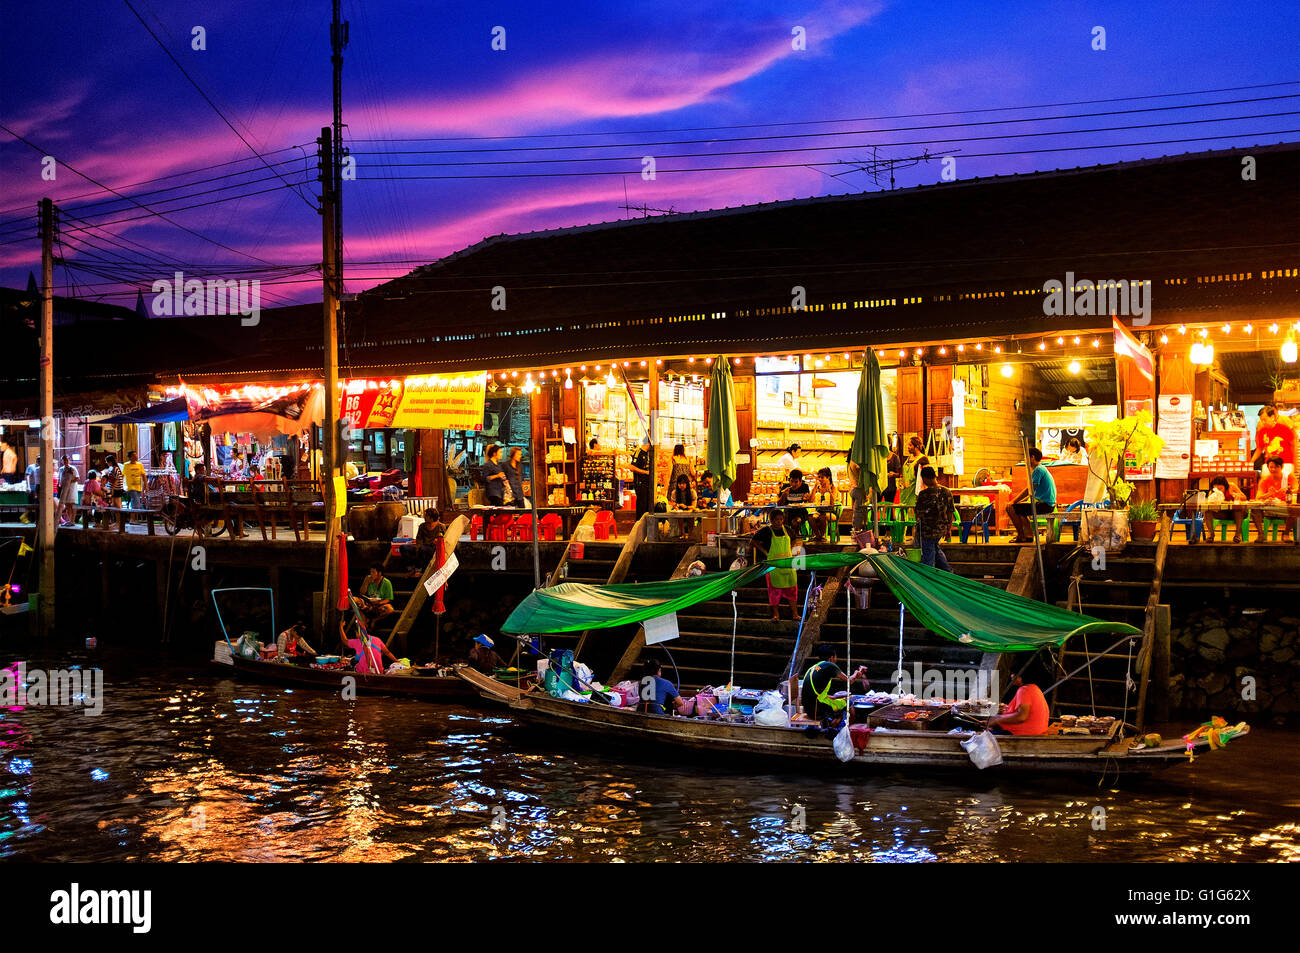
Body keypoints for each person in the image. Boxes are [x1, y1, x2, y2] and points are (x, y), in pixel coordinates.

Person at [800, 643, 868, 726]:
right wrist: (857, 672)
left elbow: (815, 693)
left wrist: (834, 697)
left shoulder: (815, 667)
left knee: (840, 701)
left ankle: (830, 725)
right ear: (831, 657)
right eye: (835, 656)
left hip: (808, 709)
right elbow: (849, 681)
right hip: (816, 710)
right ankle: (840, 730)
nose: (836, 658)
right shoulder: (830, 665)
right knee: (849, 703)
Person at [754, 507, 800, 621]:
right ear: (771, 520)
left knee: (792, 589)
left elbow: (796, 540)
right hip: (773, 566)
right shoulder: (766, 531)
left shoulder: (788, 530)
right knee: (774, 591)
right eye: (776, 520)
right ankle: (776, 614)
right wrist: (765, 552)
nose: (779, 522)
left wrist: (793, 548)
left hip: (788, 565)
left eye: (781, 519)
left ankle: (795, 614)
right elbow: (753, 541)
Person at [1009, 447, 1056, 542]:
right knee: (1020, 509)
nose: (1025, 461)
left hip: (1045, 505)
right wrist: (1019, 501)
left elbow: (1029, 489)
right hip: (1045, 504)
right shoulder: (1041, 469)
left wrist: (1014, 501)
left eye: (1026, 458)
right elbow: (1031, 493)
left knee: (1010, 508)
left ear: (1032, 457)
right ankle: (1028, 535)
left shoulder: (1038, 470)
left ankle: (1022, 535)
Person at [914, 466, 956, 571]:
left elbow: (918, 514)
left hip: (927, 531)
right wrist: (948, 529)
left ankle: (928, 577)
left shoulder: (923, 494)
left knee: (928, 557)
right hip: (941, 529)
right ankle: (948, 572)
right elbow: (950, 512)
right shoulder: (947, 492)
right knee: (935, 550)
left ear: (925, 478)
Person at [1251, 455, 1296, 541]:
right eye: (1271, 467)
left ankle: (1286, 534)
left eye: (1276, 467)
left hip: (1285, 508)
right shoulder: (1265, 480)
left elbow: (1297, 490)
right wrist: (1268, 494)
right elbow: (1258, 497)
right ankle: (1261, 534)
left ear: (1282, 467)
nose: (1273, 469)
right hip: (1269, 508)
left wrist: (1289, 491)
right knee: (1254, 509)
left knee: (1295, 510)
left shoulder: (1289, 477)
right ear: (1267, 467)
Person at [1253, 404, 1296, 482]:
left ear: (1272, 417)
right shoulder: (1262, 432)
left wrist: (1294, 464)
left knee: (1285, 488)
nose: (1262, 422)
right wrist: (1250, 462)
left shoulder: (1285, 429)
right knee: (1266, 488)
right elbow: (1259, 449)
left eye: (1264, 419)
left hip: (1285, 464)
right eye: (1261, 420)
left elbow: (1293, 446)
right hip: (1269, 466)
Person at [1203, 474, 1248, 542]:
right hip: (1222, 513)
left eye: (1221, 488)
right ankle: (1211, 535)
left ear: (1225, 486)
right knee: (1207, 511)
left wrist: (1233, 494)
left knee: (1238, 510)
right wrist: (1212, 501)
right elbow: (1208, 504)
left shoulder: (1231, 486)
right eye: (1216, 488)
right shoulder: (1212, 492)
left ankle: (1237, 535)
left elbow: (1244, 497)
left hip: (1234, 513)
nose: (1219, 491)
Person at [777, 468, 813, 538]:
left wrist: (807, 498)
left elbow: (809, 501)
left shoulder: (805, 487)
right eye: (791, 481)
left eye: (796, 482)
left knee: (796, 521)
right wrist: (784, 495)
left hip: (801, 512)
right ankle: (787, 537)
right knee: (782, 520)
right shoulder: (785, 487)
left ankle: (793, 537)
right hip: (788, 512)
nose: (793, 484)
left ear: (801, 481)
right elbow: (779, 504)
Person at [898, 435, 928, 508]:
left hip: (915, 493)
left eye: (910, 445)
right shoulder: (908, 458)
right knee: (903, 514)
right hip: (904, 492)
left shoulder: (923, 459)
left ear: (917, 446)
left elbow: (926, 477)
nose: (908, 447)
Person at [809, 467, 837, 542]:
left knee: (822, 517)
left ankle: (821, 536)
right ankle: (819, 536)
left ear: (828, 477)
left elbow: (832, 503)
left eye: (822, 477)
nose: (820, 479)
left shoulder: (833, 488)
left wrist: (829, 491)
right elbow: (810, 500)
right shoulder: (818, 488)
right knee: (810, 517)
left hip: (830, 512)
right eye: (819, 477)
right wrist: (814, 488)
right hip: (818, 511)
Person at [667, 473, 696, 539]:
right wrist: (675, 506)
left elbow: (694, 506)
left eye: (683, 483)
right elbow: (673, 504)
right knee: (679, 515)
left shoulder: (692, 492)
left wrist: (686, 507)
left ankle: (690, 534)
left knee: (690, 515)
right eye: (679, 483)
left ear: (687, 484)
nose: (681, 485)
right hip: (679, 511)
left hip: (689, 510)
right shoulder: (674, 492)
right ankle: (683, 534)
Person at [630, 435, 652, 518]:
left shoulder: (648, 454)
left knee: (646, 505)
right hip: (640, 483)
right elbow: (631, 467)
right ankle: (639, 523)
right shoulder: (638, 452)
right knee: (641, 505)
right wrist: (645, 472)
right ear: (648, 444)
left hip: (647, 483)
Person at [57, 455, 79, 525]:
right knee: (67, 505)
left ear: (69, 460)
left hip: (72, 489)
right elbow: (59, 479)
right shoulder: (61, 469)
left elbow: (77, 478)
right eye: (64, 460)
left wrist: (69, 482)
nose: (65, 462)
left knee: (72, 504)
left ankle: (73, 520)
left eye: (67, 460)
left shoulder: (72, 468)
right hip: (64, 489)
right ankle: (69, 520)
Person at [883, 435, 904, 504]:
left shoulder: (895, 457)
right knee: (876, 507)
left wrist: (893, 474)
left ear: (889, 444)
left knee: (889, 508)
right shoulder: (878, 457)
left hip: (890, 487)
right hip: (879, 487)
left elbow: (899, 474)